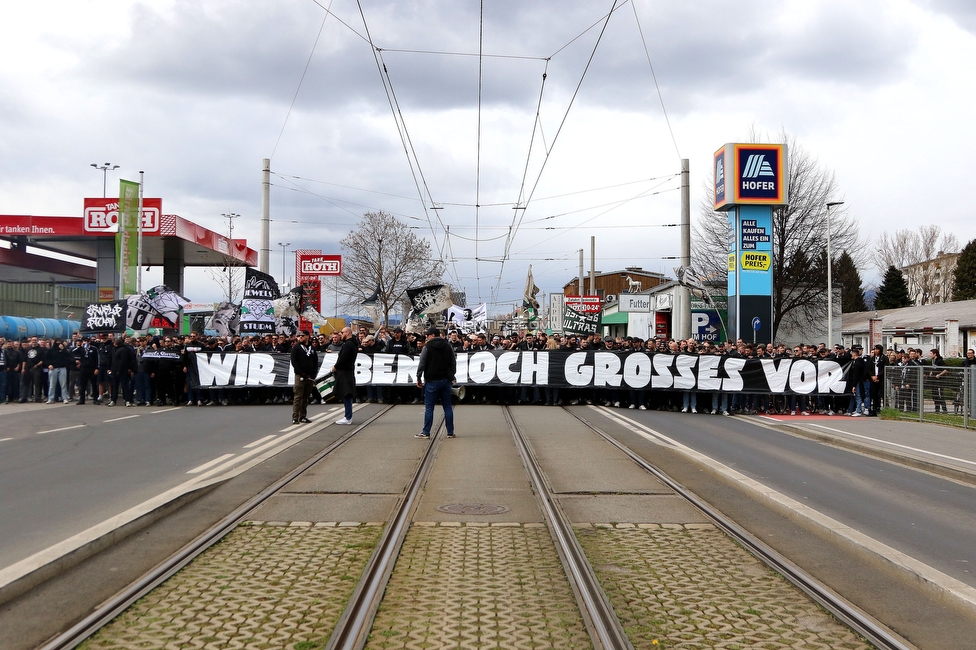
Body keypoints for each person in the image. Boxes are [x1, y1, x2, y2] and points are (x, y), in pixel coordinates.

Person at [415, 327, 457, 439]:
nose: (426, 337)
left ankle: (426, 431)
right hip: (445, 380)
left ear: (432, 335)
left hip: (431, 381)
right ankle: (450, 432)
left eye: (427, 335)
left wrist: (418, 377)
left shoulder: (427, 347)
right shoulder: (448, 346)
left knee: (429, 407)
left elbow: (422, 364)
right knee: (448, 407)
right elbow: (453, 362)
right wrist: (452, 376)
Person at [332, 326, 358, 425]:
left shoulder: (348, 344)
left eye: (342, 333)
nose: (340, 335)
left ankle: (348, 417)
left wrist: (336, 366)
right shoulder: (353, 344)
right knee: (347, 394)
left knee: (347, 394)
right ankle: (348, 416)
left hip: (344, 372)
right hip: (348, 371)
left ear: (347, 333)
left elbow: (343, 358)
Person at [290, 331, 317, 424]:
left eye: (302, 336)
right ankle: (295, 417)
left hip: (310, 377)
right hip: (300, 376)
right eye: (299, 336)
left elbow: (315, 362)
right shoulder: (296, 348)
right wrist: (301, 373)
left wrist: (314, 374)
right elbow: (294, 362)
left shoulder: (312, 348)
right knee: (298, 397)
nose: (300, 337)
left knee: (305, 397)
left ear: (307, 337)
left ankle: (303, 416)